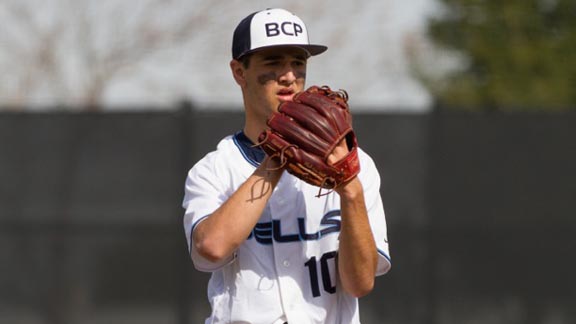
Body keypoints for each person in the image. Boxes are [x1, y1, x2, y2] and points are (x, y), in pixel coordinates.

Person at [182, 8, 391, 324]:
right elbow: (212, 246)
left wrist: (350, 189)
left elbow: (360, 283)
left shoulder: (355, 165)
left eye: (298, 62)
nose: (289, 75)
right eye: (273, 62)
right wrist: (277, 157)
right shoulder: (214, 170)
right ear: (239, 72)